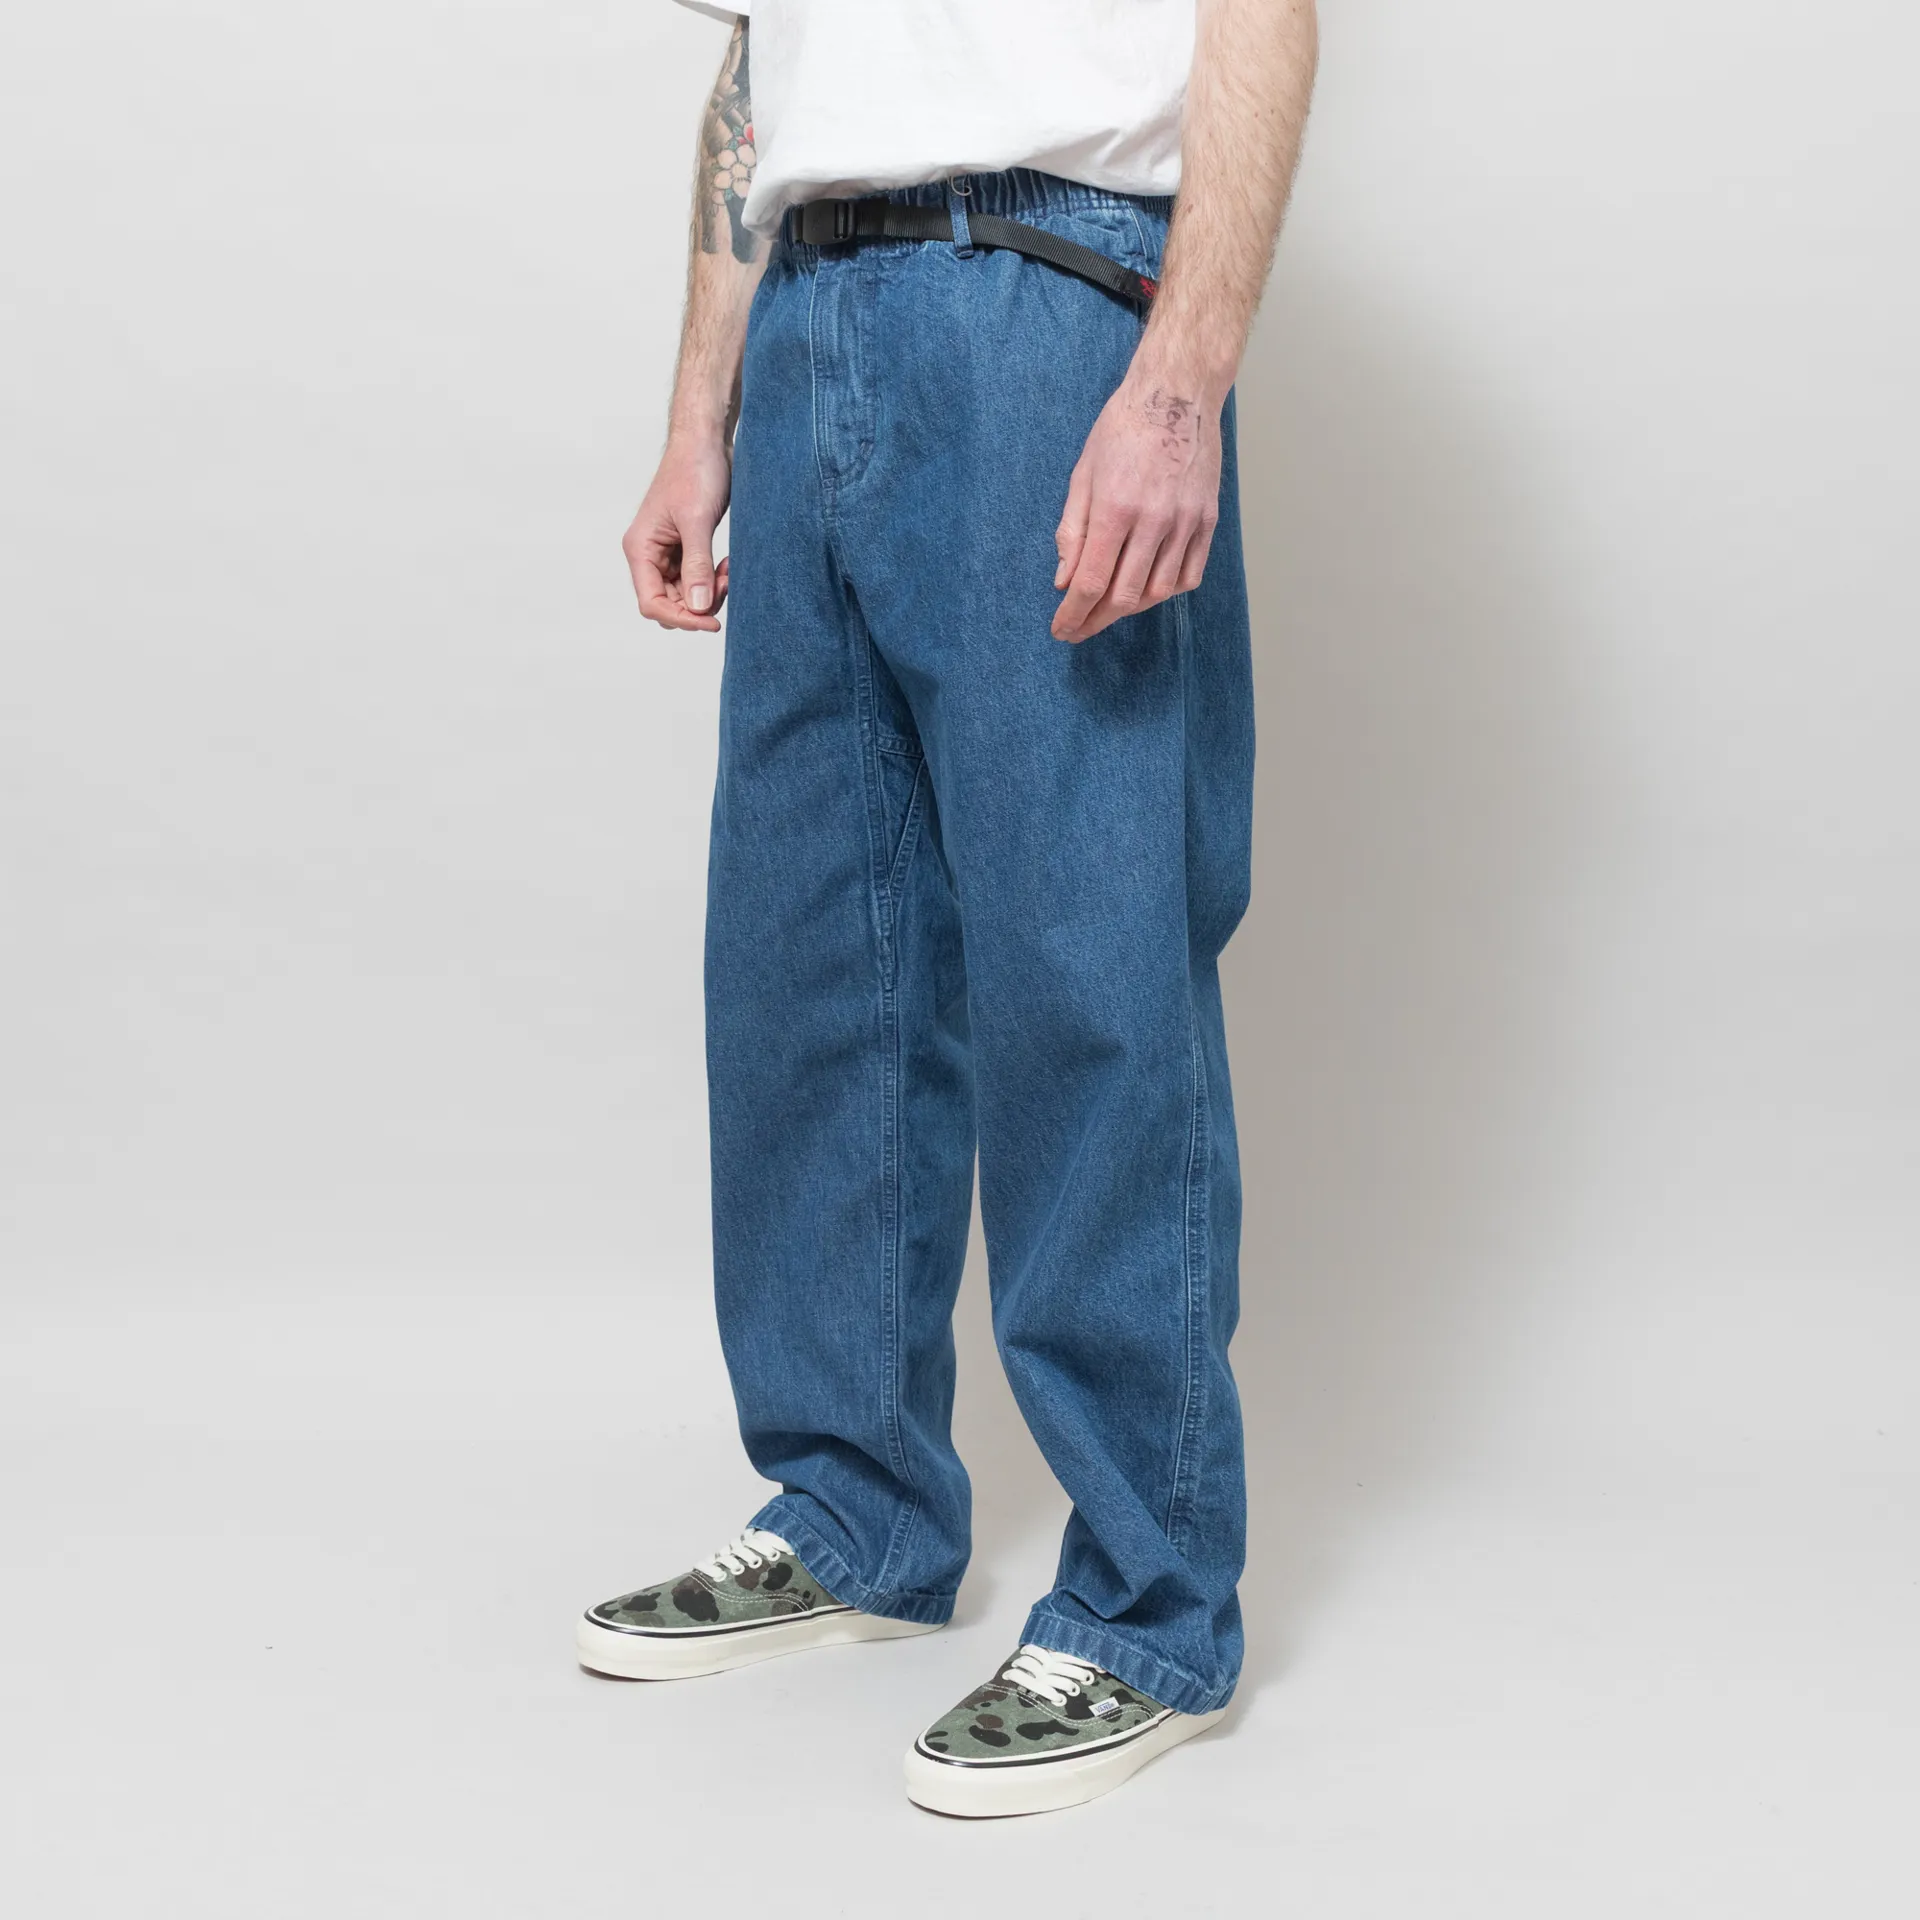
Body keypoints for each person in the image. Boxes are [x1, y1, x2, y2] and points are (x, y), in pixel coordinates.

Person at [584, 0, 1317, 1817]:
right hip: (813, 304)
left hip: (1047, 298)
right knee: (812, 965)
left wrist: (1179, 383)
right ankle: (856, 1512)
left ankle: (1150, 1605)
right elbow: (759, 74)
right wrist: (699, 415)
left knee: (1090, 963)